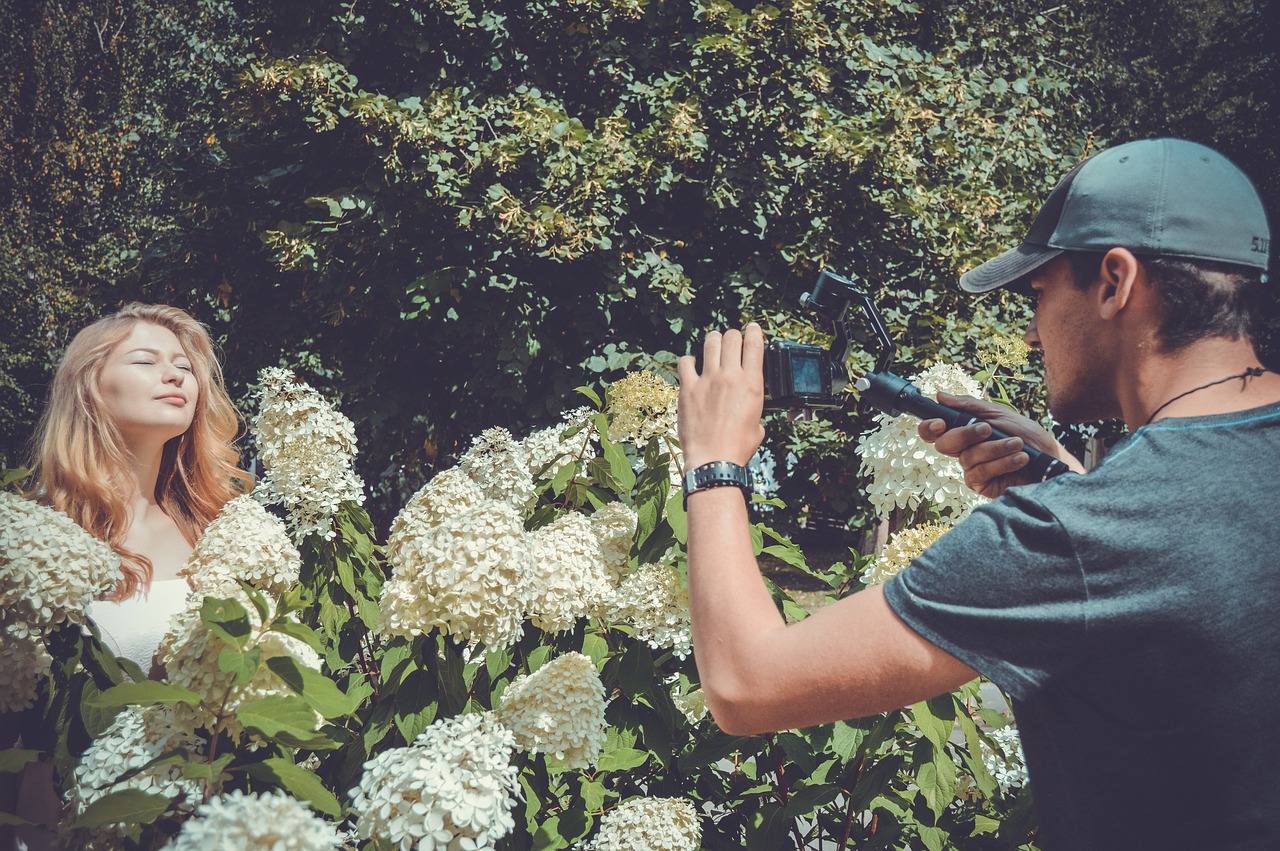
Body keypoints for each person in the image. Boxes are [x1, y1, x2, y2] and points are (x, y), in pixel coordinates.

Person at [677, 137, 1277, 850]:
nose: (1030, 333)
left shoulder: (1076, 536)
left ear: (1116, 282)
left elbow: (747, 684)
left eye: (1039, 293)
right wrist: (1066, 478)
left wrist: (714, 463)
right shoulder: (1115, 514)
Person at [1, 303, 251, 851]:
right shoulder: (28, 536)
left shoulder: (222, 532)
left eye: (185, 367)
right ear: (90, 386)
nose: (175, 375)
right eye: (146, 360)